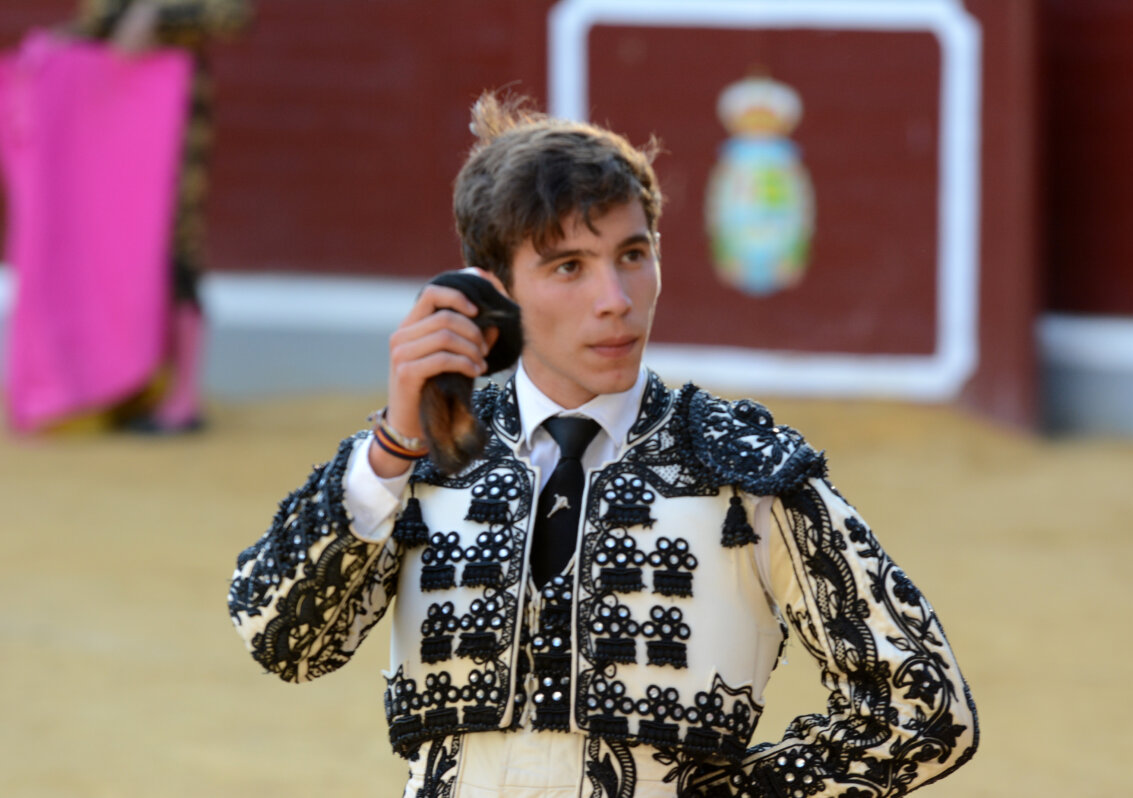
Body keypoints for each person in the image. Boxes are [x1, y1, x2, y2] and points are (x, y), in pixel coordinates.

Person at [227, 92, 978, 798]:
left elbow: (926, 710)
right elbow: (283, 643)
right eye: (568, 267)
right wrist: (390, 447)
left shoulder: (741, 469)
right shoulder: (423, 457)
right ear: (492, 291)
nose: (615, 300)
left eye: (631, 254)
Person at [75, 0, 251, 431]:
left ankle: (182, 397)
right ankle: (130, 384)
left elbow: (235, 15)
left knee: (175, 247)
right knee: (117, 250)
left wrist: (155, 11)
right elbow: (93, 24)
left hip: (175, 125)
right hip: (115, 120)